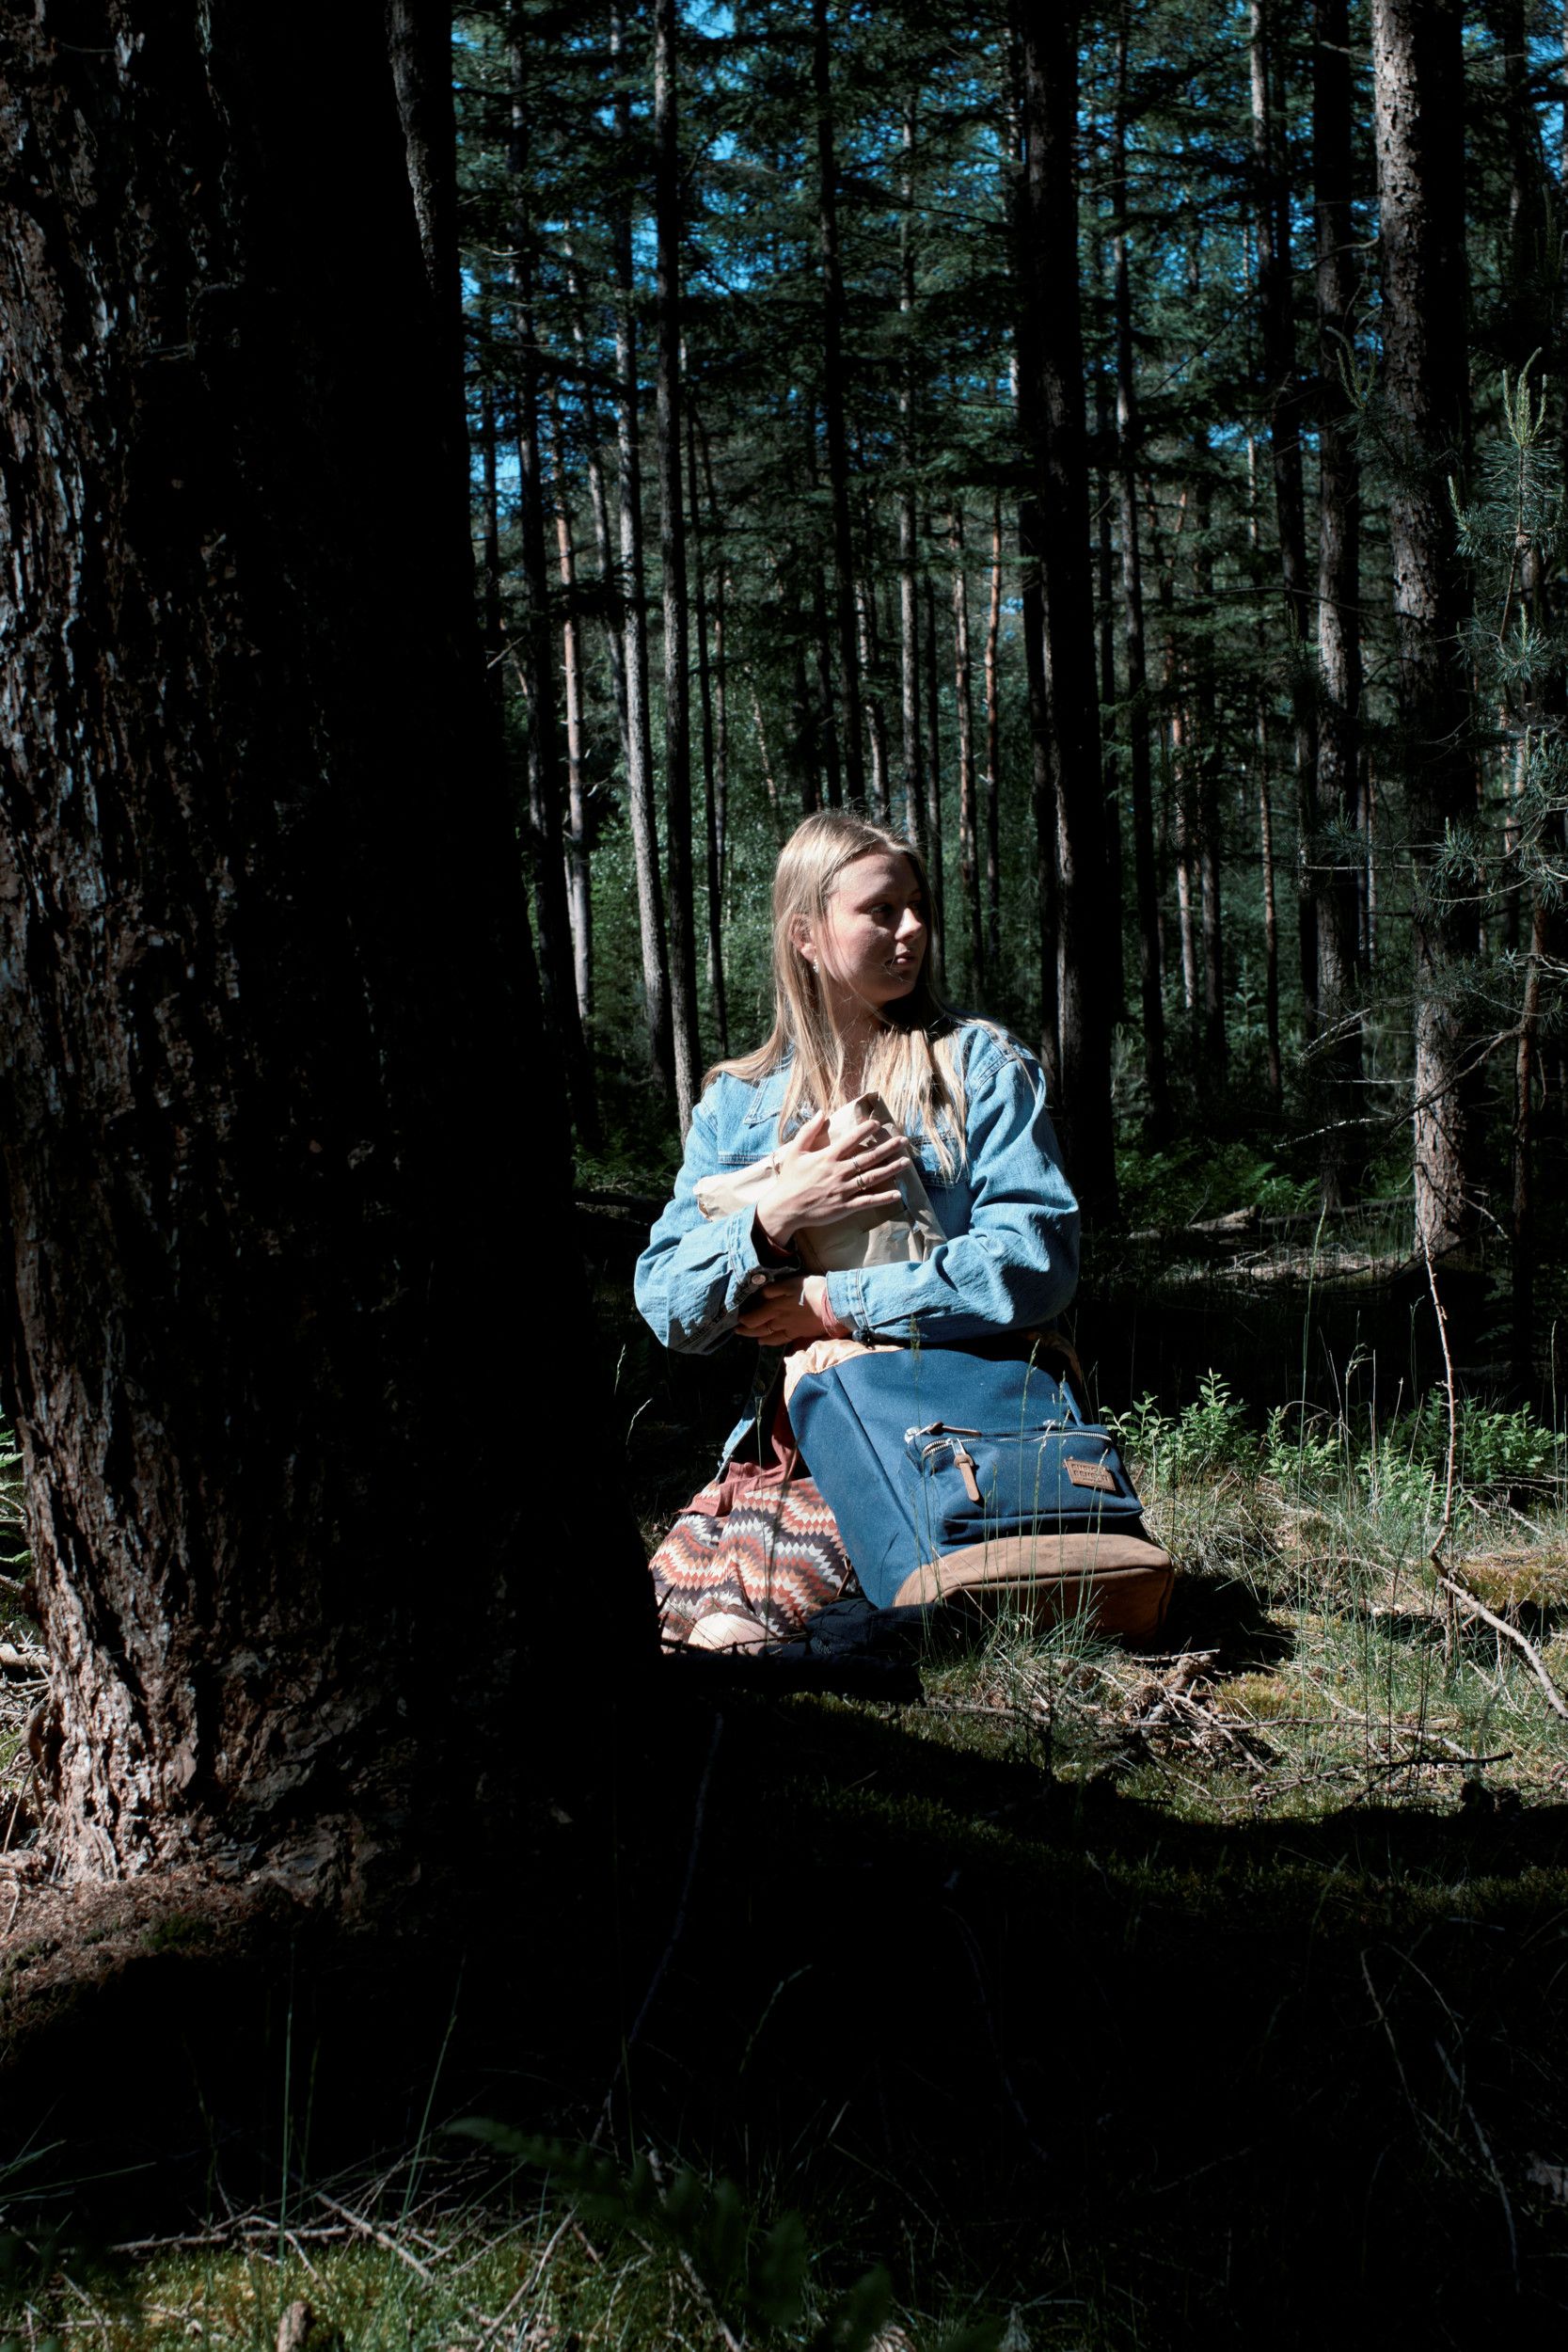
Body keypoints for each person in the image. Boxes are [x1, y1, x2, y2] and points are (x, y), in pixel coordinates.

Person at [635, 809, 1080, 1649]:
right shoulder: (740, 1100)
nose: (912, 929)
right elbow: (665, 1302)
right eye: (881, 910)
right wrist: (774, 1217)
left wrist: (834, 1300)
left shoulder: (978, 1065)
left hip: (939, 1437)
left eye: (917, 906)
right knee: (658, 1636)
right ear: (805, 933)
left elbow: (1034, 1261)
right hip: (785, 1445)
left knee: (739, 1638)